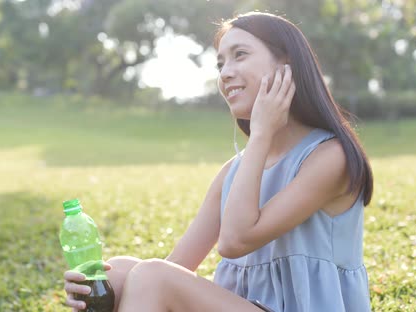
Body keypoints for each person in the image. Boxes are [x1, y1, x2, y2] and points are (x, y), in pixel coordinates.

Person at [64, 11, 373, 312]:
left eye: (240, 55)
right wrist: (100, 294)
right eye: (221, 63)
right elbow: (176, 268)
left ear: (286, 66)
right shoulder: (235, 171)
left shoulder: (330, 157)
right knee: (118, 272)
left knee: (151, 275)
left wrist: (262, 133)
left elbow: (236, 240)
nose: (225, 73)